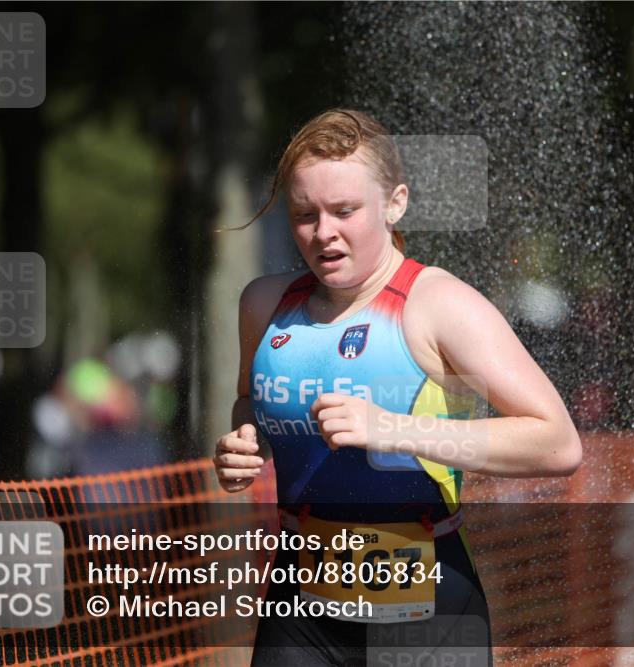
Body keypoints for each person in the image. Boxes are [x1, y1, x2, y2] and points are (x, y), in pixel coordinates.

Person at [212, 109, 582, 666]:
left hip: (426, 605)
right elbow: (251, 401)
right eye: (305, 214)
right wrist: (246, 441)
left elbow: (558, 443)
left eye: (345, 211)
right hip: (300, 602)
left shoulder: (439, 305)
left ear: (395, 203)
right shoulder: (265, 304)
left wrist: (393, 429)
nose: (324, 233)